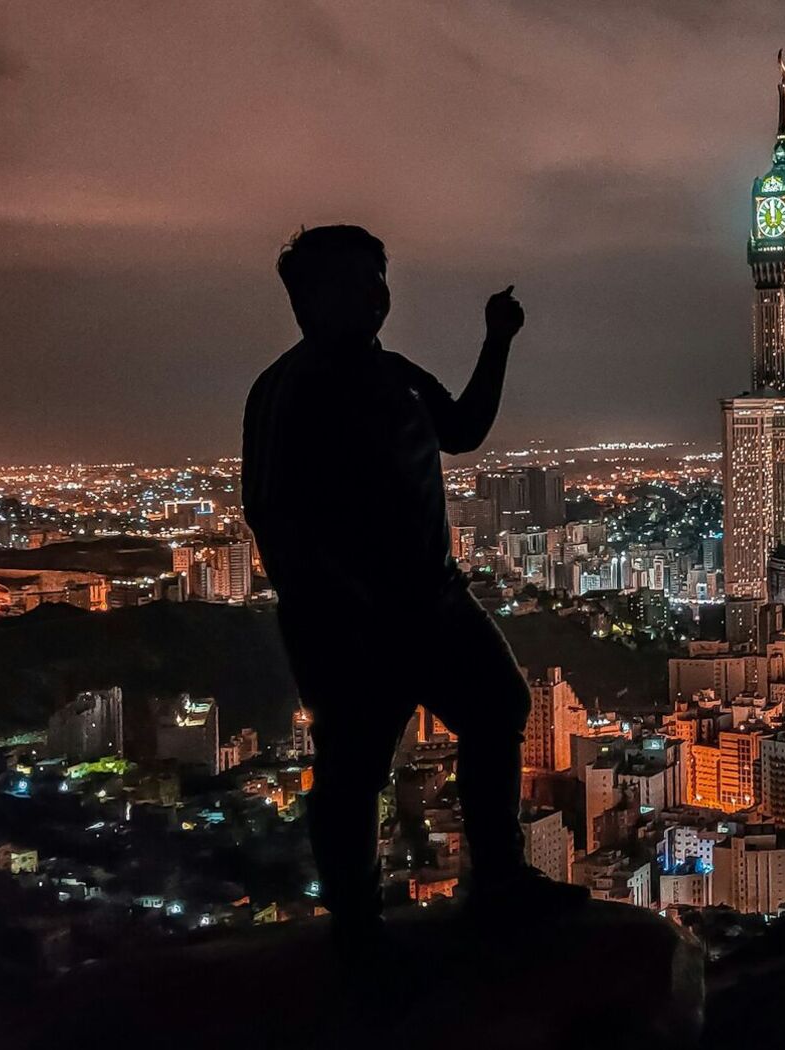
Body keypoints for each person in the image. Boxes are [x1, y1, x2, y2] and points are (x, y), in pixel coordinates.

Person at [241, 225, 584, 951]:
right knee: (353, 769)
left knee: (498, 708)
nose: (372, 294)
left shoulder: (389, 371)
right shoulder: (289, 390)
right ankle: (357, 927)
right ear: (307, 300)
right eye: (352, 281)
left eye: (377, 278)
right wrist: (340, 609)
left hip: (432, 600)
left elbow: (461, 429)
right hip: (352, 623)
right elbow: (273, 517)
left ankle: (499, 878)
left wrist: (498, 340)